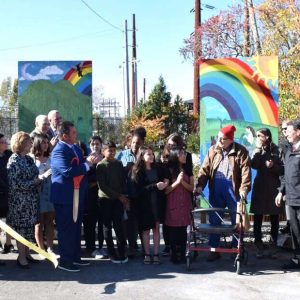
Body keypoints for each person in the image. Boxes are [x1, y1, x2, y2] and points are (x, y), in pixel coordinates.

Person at [197, 125, 251, 261]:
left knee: (236, 220)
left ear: (231, 139)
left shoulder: (241, 151)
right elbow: (204, 170)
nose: (220, 141)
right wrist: (199, 185)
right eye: (219, 138)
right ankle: (214, 249)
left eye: (223, 139)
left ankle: (235, 249)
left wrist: (244, 190)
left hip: (234, 189)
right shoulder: (213, 150)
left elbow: (246, 173)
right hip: (216, 188)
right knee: (215, 219)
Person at [51, 121, 98, 272]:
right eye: (73, 132)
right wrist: (87, 164)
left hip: (77, 195)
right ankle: (65, 261)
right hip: (65, 197)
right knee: (66, 229)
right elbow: (68, 171)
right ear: (64, 136)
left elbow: (82, 167)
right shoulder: (58, 151)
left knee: (76, 228)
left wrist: (88, 163)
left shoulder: (76, 148)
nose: (76, 134)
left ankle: (75, 257)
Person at [7, 132, 41, 268]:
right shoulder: (14, 160)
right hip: (19, 201)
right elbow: (15, 183)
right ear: (20, 143)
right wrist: (34, 182)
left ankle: (27, 253)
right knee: (21, 229)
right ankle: (21, 258)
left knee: (29, 228)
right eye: (28, 142)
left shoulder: (28, 159)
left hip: (31, 200)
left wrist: (39, 179)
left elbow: (34, 174)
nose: (31, 144)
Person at [250, 128, 284, 258]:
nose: (257, 137)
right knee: (258, 216)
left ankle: (273, 242)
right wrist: (258, 150)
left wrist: (272, 167)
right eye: (257, 135)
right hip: (259, 187)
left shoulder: (277, 150)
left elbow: (282, 170)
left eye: (260, 135)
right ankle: (258, 242)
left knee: (274, 216)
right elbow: (253, 164)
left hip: (273, 188)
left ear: (267, 137)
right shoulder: (257, 149)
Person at [131, 146, 168, 264]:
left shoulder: (158, 168)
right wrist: (155, 186)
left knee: (156, 229)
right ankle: (147, 254)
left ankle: (156, 254)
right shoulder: (137, 171)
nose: (151, 156)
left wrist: (165, 183)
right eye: (148, 154)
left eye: (152, 154)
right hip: (144, 205)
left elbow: (166, 176)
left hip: (157, 203)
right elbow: (138, 190)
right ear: (142, 157)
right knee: (146, 230)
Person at [160, 133, 194, 256]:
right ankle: (171, 249)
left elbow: (191, 186)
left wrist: (182, 182)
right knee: (172, 227)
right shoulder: (167, 167)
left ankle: (183, 251)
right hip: (172, 201)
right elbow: (166, 189)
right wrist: (177, 182)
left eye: (173, 145)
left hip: (184, 201)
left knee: (183, 228)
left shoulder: (187, 165)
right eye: (169, 144)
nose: (171, 147)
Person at [96, 141, 129, 264]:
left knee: (119, 225)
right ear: (103, 151)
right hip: (105, 199)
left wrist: (123, 197)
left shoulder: (119, 164)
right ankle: (111, 252)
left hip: (118, 199)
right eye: (109, 150)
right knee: (107, 226)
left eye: (114, 150)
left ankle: (122, 251)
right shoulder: (101, 165)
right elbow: (102, 186)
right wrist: (118, 196)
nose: (112, 153)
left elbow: (122, 181)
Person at [275, 119, 300, 269]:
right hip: (290, 199)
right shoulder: (290, 151)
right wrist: (280, 192)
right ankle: (297, 258)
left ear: (298, 132)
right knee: (294, 230)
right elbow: (285, 175)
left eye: (289, 131)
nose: (287, 134)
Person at [117, 130, 145, 257]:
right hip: (126, 193)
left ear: (142, 143)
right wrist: (125, 169)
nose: (135, 145)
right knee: (127, 222)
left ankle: (141, 246)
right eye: (133, 142)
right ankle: (129, 246)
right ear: (130, 142)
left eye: (138, 143)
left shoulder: (144, 155)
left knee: (139, 221)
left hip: (140, 193)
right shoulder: (122, 155)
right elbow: (115, 171)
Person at [30, 134, 55, 258]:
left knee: (50, 222)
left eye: (46, 142)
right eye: (43, 142)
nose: (45, 145)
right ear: (37, 144)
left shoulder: (51, 157)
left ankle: (50, 248)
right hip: (37, 194)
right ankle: (41, 250)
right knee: (38, 223)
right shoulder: (31, 159)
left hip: (50, 193)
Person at [83, 136, 107, 259]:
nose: (95, 146)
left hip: (104, 196)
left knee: (103, 223)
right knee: (90, 224)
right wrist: (98, 182)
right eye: (93, 144)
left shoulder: (105, 159)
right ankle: (91, 248)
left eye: (97, 144)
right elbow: (84, 180)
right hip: (90, 196)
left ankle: (102, 247)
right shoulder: (86, 161)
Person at [0, 133, 14, 262]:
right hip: (1, 192)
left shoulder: (9, 155)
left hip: (10, 192)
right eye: (3, 142)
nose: (6, 144)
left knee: (10, 218)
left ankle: (8, 243)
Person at [279, 119, 292, 234]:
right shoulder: (283, 144)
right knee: (288, 205)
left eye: (285, 128)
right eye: (282, 129)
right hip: (287, 179)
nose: (283, 131)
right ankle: (289, 225)